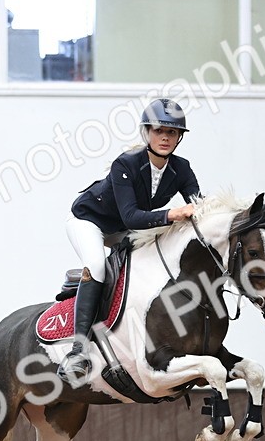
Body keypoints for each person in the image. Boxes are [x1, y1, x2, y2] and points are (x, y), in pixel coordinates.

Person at [58, 98, 201, 382]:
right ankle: (78, 351)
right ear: (146, 132)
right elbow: (132, 217)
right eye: (158, 130)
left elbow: (199, 206)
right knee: (97, 265)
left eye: (171, 132)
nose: (164, 137)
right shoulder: (125, 163)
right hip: (89, 221)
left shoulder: (182, 169)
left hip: (125, 228)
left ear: (179, 138)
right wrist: (173, 213)